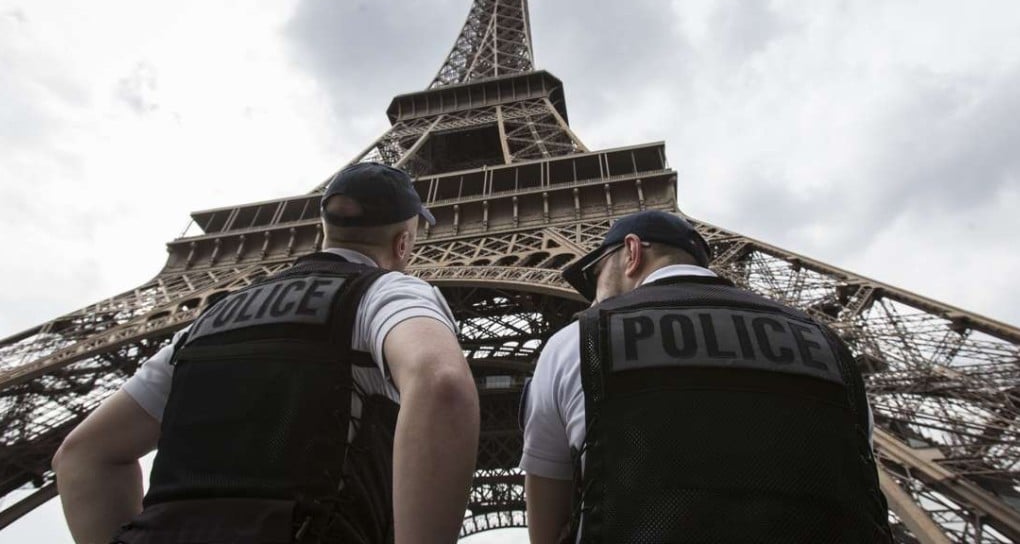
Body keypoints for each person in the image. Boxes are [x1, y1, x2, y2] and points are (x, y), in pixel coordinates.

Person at [53, 162, 480, 544]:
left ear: (323, 228)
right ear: (403, 244)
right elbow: (440, 383)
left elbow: (82, 456)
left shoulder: (211, 318)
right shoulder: (385, 291)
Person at [520, 210, 892, 543]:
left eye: (596, 275)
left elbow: (549, 531)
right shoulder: (828, 347)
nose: (592, 298)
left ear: (632, 253)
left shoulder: (577, 342)